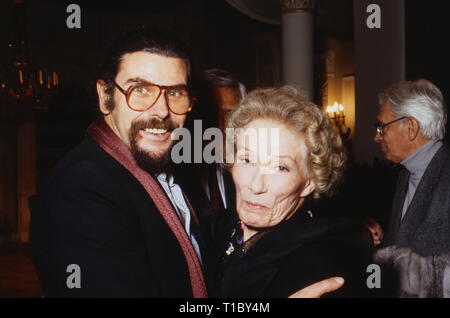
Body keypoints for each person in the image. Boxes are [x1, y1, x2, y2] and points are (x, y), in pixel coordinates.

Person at [30, 28, 208, 297]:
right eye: (140, 90)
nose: (161, 110)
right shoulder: (81, 189)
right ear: (105, 97)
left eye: (175, 93)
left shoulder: (170, 171)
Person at [209, 86, 374, 298]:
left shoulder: (317, 261)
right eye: (247, 160)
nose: (256, 185)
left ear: (309, 182)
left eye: (280, 168)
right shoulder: (215, 229)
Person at [369, 79, 450, 297]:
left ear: (411, 127)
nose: (377, 137)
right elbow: (405, 248)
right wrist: (381, 243)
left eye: (381, 127)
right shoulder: (405, 174)